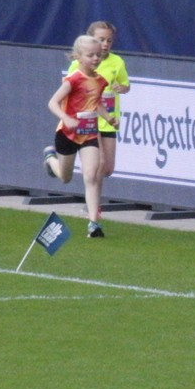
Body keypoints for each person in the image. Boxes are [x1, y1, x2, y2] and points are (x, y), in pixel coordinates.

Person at [43, 35, 118, 239]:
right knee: (66, 178)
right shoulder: (73, 79)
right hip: (67, 134)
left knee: (91, 175)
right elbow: (52, 103)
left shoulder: (100, 80)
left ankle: (94, 224)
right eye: (90, 55)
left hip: (89, 133)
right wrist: (65, 118)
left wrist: (109, 119)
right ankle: (51, 160)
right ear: (78, 56)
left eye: (98, 55)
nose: (95, 58)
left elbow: (96, 103)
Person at [67, 22, 130, 181]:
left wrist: (121, 88)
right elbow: (67, 89)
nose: (105, 44)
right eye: (101, 40)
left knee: (107, 169)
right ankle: (92, 205)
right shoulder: (78, 64)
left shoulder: (117, 62)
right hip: (88, 119)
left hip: (108, 120)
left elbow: (126, 85)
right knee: (97, 165)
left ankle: (92, 199)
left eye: (109, 41)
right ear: (91, 40)